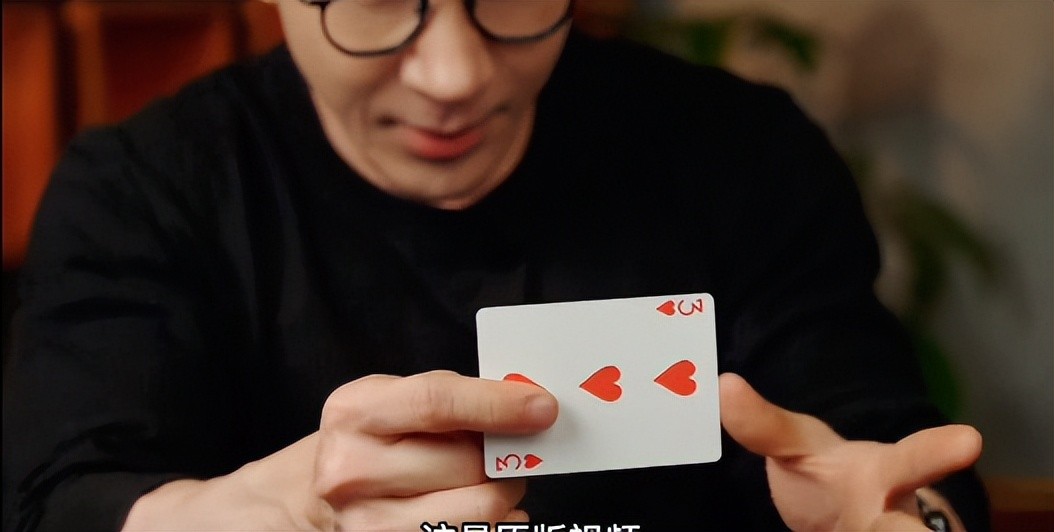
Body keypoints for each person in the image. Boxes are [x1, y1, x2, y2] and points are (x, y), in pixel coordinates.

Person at [3, 0, 990, 530]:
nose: (456, 76)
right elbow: (63, 499)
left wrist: (910, 517)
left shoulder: (744, 153)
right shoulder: (142, 189)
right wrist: (250, 516)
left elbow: (890, 455)